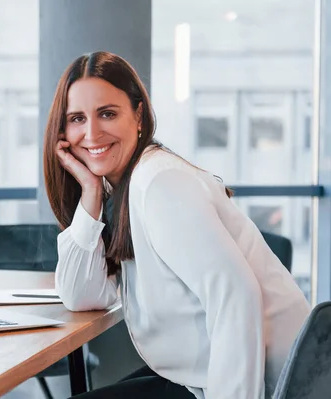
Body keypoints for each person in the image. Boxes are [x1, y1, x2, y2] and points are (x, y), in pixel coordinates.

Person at [43, 51, 311, 399]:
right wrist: (91, 193)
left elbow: (236, 297)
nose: (91, 133)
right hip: (198, 379)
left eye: (107, 113)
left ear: (138, 116)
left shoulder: (160, 183)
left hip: (264, 387)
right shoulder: (120, 189)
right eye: (77, 118)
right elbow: (80, 295)